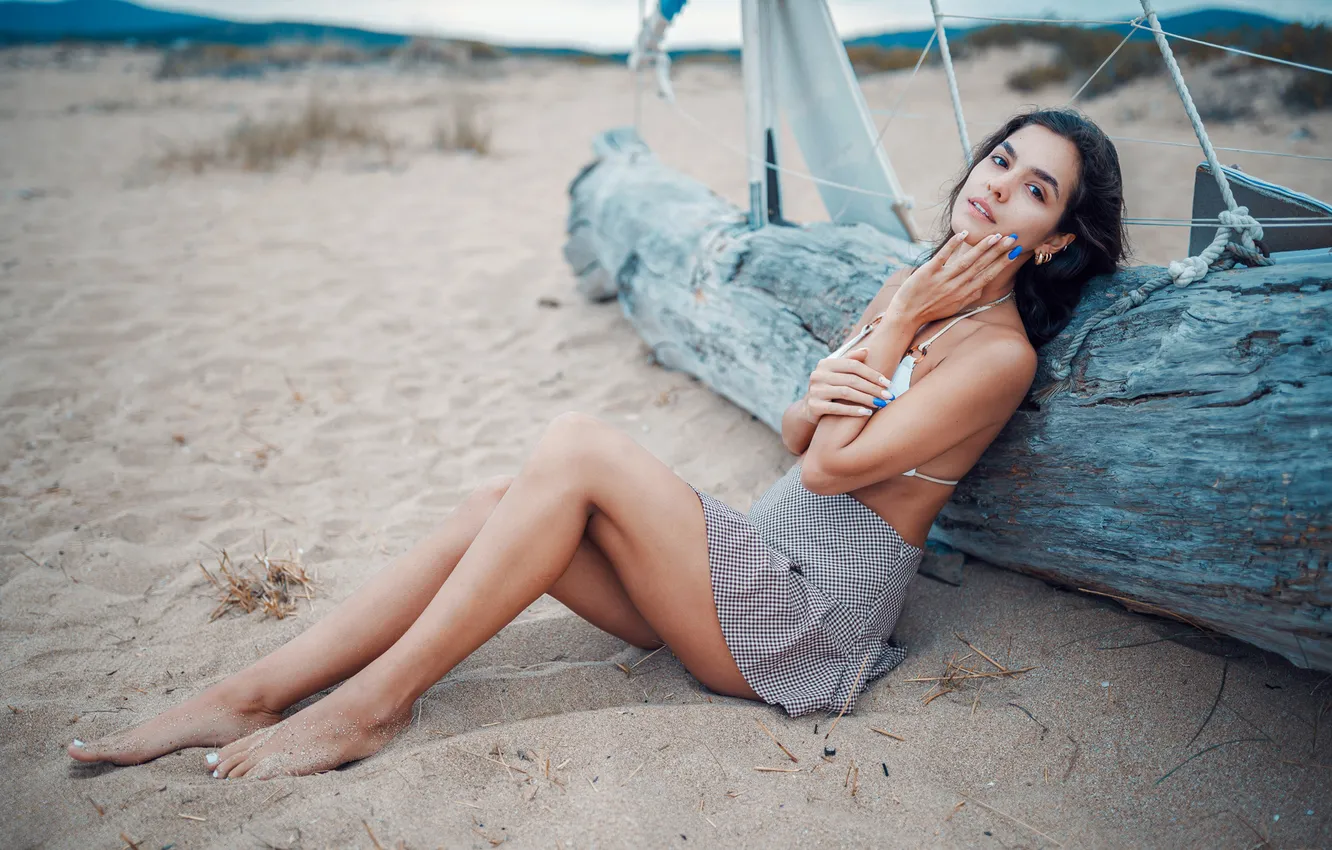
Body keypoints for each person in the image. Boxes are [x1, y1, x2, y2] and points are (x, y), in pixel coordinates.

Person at [68, 107, 1127, 780]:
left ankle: (369, 709)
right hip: (745, 572)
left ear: (1060, 238)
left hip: (804, 628)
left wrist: (893, 328)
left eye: (1035, 187)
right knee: (498, 498)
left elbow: (830, 465)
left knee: (576, 443)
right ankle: (251, 691)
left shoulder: (994, 354)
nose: (996, 183)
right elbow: (806, 419)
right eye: (1001, 157)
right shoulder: (920, 283)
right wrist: (894, 316)